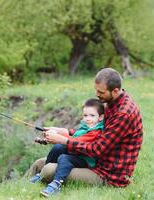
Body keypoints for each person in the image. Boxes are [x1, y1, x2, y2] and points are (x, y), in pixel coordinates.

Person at [26, 67, 143, 196]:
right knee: (39, 164)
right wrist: (64, 131)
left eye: (101, 92)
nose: (97, 94)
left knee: (47, 169)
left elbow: (97, 149)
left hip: (107, 174)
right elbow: (93, 131)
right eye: (96, 90)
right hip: (94, 161)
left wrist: (63, 140)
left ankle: (50, 186)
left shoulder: (123, 114)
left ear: (115, 91)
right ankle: (20, 188)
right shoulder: (111, 101)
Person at [30, 98, 105, 197]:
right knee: (58, 147)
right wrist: (52, 137)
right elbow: (75, 134)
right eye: (85, 115)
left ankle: (56, 184)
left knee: (64, 158)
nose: (87, 118)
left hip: (86, 160)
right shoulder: (87, 126)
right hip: (78, 153)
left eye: (92, 115)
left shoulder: (96, 131)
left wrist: (58, 137)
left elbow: (77, 141)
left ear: (100, 117)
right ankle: (41, 174)